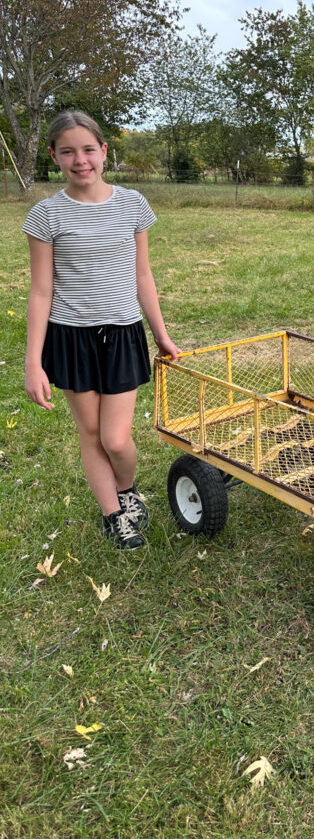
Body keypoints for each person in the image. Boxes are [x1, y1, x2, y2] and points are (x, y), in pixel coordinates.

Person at [23, 111, 179, 550]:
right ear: (53, 156)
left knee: (117, 439)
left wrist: (161, 334)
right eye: (68, 152)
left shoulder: (132, 205)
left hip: (123, 333)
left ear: (104, 151)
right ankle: (114, 514)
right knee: (91, 435)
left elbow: (142, 276)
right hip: (71, 338)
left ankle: (126, 491)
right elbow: (40, 291)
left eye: (88, 149)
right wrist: (33, 362)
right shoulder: (46, 215)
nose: (80, 160)